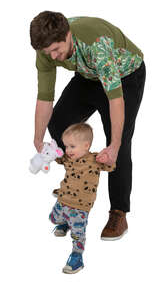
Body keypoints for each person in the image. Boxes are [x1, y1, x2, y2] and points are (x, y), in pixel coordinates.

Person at [30, 12, 146, 242]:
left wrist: (113, 145)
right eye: (48, 53)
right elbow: (44, 98)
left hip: (124, 75)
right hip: (89, 74)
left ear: (68, 35)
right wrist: (37, 139)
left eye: (56, 49)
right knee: (59, 122)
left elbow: (115, 99)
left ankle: (118, 212)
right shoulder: (46, 49)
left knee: (118, 143)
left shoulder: (97, 45)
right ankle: (77, 180)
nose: (53, 57)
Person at [49, 122, 116, 273]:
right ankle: (65, 222)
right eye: (66, 146)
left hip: (81, 206)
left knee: (77, 234)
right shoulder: (67, 157)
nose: (68, 150)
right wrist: (51, 152)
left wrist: (107, 159)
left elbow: (111, 167)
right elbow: (58, 158)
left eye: (72, 146)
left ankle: (77, 257)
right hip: (62, 199)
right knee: (53, 218)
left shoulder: (95, 159)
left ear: (86, 145)